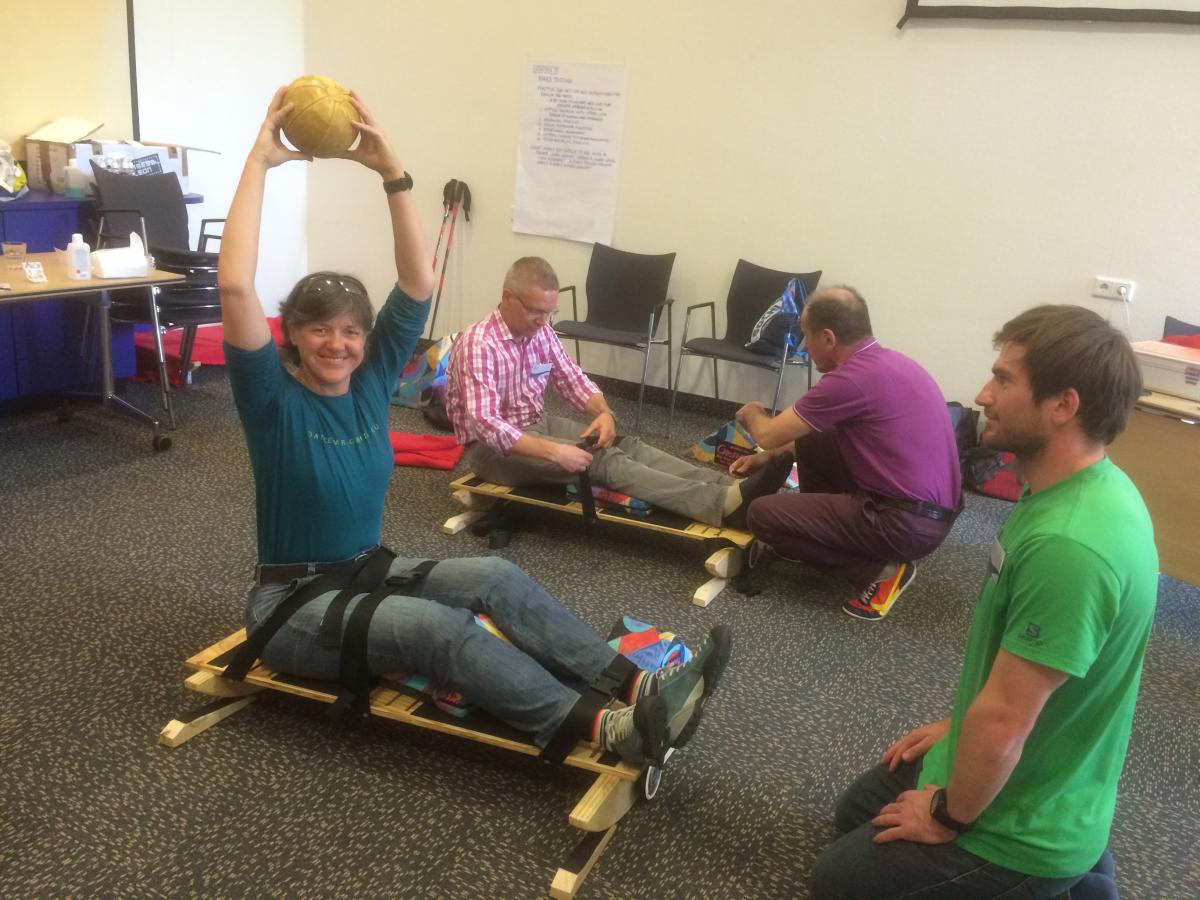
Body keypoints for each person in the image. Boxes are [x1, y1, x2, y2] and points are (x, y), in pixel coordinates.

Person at [216, 88, 730, 768]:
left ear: (367, 340)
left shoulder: (370, 385)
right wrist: (258, 160)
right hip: (294, 608)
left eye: (349, 331)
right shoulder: (272, 401)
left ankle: (635, 682)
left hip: (366, 571)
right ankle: (606, 728)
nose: (336, 343)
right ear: (295, 336)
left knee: (494, 575)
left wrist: (391, 172)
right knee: (437, 626)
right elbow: (234, 288)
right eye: (318, 330)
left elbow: (418, 281)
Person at [809, 305, 1155, 898]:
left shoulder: (1071, 545)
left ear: (1063, 405)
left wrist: (945, 815)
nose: (982, 394)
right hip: (1033, 748)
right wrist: (956, 725)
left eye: (1004, 380)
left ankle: (1062, 874)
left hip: (1023, 826)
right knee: (858, 812)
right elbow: (1031, 679)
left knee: (835, 885)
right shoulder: (1079, 484)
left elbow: (1005, 718)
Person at [445, 256, 794, 527]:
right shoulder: (480, 344)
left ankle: (728, 488)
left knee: (623, 444)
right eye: (536, 311)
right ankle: (722, 506)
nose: (543, 321)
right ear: (507, 298)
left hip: (537, 424)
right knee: (600, 461)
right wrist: (554, 453)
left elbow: (572, 379)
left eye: (549, 312)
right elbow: (486, 425)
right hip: (492, 452)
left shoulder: (540, 331)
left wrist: (604, 414)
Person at [732, 286, 961, 620]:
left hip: (903, 524)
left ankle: (876, 572)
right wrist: (768, 457)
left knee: (761, 516)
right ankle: (819, 531)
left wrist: (751, 410)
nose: (805, 347)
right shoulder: (894, 363)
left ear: (827, 338)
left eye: (806, 338)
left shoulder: (850, 380)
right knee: (815, 437)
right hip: (930, 515)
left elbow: (766, 433)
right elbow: (796, 439)